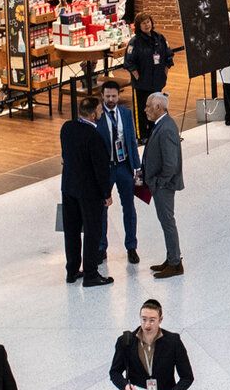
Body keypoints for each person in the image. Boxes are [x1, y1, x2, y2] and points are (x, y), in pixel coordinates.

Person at [60, 93, 114, 287]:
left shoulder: (66, 128)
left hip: (68, 188)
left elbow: (66, 157)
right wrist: (106, 194)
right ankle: (91, 273)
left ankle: (72, 270)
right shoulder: (94, 137)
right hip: (88, 193)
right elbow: (100, 170)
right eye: (99, 110)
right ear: (92, 115)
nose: (101, 113)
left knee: (71, 230)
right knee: (92, 231)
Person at [98, 82, 142, 268]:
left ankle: (131, 246)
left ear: (118, 96)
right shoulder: (98, 115)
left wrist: (137, 167)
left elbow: (131, 140)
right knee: (102, 209)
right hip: (105, 169)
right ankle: (101, 247)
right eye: (107, 96)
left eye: (113, 96)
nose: (110, 100)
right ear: (102, 95)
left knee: (129, 208)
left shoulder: (125, 113)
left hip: (123, 166)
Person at [141, 96, 185, 280]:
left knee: (167, 222)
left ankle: (175, 263)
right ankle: (171, 258)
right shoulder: (162, 123)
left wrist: (159, 182)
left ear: (158, 107)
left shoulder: (165, 128)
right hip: (161, 183)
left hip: (164, 186)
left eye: (148, 106)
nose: (145, 109)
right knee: (166, 221)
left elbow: (170, 164)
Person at [122, 18, 175, 139]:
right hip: (141, 85)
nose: (147, 25)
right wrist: (137, 76)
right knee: (141, 110)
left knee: (157, 107)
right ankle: (141, 135)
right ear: (138, 26)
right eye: (143, 23)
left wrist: (165, 72)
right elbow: (129, 62)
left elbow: (168, 55)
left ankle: (155, 132)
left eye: (148, 22)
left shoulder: (159, 38)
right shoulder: (134, 42)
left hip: (157, 82)